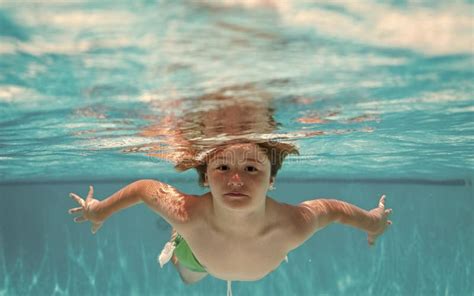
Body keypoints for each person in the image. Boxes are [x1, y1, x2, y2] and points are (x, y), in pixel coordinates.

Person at [68, 140, 392, 296]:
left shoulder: (294, 224)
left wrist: (375, 222)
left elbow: (335, 210)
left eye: (251, 168)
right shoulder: (185, 213)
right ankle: (177, 241)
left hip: (256, 248)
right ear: (206, 176)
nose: (236, 180)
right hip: (197, 253)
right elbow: (142, 188)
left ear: (272, 180)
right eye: (223, 167)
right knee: (189, 277)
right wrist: (99, 211)